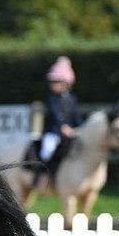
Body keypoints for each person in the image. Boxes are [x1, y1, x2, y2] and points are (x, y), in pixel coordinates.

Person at [34, 56, 83, 185]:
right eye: (51, 82)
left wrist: (81, 128)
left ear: (65, 83)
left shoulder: (72, 98)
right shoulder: (51, 98)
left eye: (55, 82)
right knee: (47, 149)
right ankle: (42, 175)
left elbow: (75, 115)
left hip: (71, 131)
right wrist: (63, 126)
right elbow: (55, 114)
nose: (52, 85)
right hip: (54, 131)